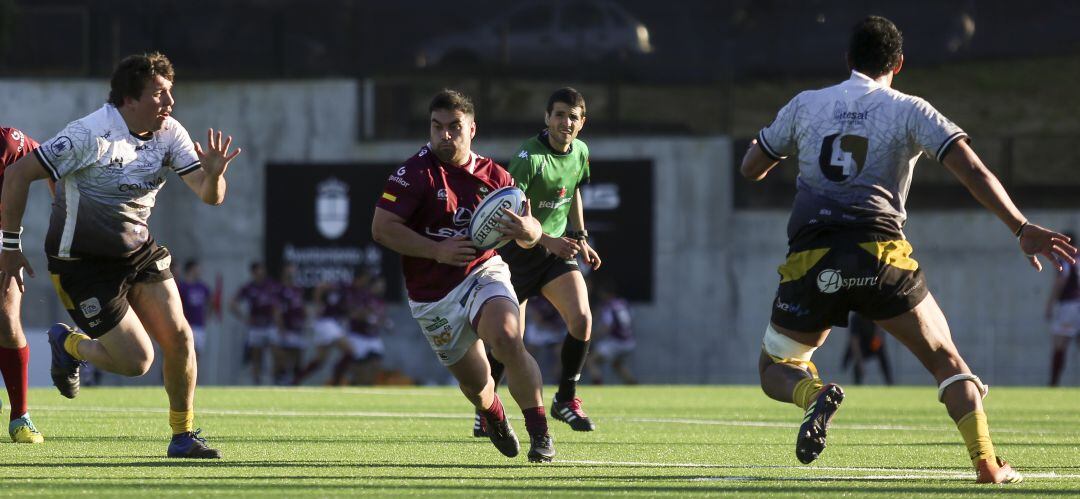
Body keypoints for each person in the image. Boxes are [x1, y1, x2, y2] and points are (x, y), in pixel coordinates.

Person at [738, 16, 1076, 483]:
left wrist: (772, 146)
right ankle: (986, 464)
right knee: (948, 363)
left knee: (775, 367)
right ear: (898, 63)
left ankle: (814, 396)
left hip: (813, 261)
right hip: (882, 259)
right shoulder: (911, 109)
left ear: (847, 58)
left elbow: (751, 167)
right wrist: (1020, 227)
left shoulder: (806, 105)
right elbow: (974, 171)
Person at [0, 52, 242, 458]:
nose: (169, 102)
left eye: (170, 92)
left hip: (138, 252)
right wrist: (10, 247)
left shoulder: (171, 133)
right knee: (137, 362)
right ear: (129, 100)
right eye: (159, 94)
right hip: (82, 263)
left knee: (180, 336)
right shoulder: (90, 134)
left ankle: (182, 436)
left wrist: (215, 175)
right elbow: (18, 173)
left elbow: (208, 196)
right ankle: (69, 345)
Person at [371, 89, 555, 462]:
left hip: (482, 272)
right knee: (475, 382)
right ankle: (493, 415)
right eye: (437, 127)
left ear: (472, 129)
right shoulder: (414, 174)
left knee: (507, 337)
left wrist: (528, 231)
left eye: (455, 127)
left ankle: (540, 435)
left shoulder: (495, 176)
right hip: (432, 295)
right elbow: (382, 228)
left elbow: (531, 230)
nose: (445, 135)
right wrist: (436, 250)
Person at [476, 87, 602, 436]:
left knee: (582, 320)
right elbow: (510, 216)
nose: (565, 122)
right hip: (518, 253)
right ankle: (487, 406)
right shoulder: (529, 158)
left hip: (555, 254)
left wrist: (580, 238)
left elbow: (574, 189)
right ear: (547, 118)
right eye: (559, 114)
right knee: (509, 341)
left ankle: (566, 398)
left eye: (572, 116)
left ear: (582, 123)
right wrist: (549, 240)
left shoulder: (580, 152)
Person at [0, 126, 44, 443]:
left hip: (3, 238)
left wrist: (65, 217)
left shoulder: (9, 141)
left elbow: (53, 161)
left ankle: (20, 417)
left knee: (6, 318)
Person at [294, 277, 353, 385]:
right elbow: (320, 287)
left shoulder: (347, 292)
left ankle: (296, 379)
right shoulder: (336, 286)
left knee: (320, 360)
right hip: (326, 323)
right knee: (349, 351)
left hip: (330, 324)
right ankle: (336, 380)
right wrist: (318, 302)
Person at [230, 262, 281, 385]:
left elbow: (276, 306)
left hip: (270, 326)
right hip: (256, 327)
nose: (261, 273)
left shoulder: (270, 285)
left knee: (278, 354)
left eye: (262, 270)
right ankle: (257, 383)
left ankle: (275, 379)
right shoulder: (249, 288)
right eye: (258, 271)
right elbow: (232, 303)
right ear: (253, 273)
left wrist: (278, 322)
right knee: (256, 357)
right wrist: (244, 317)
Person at [587, 278, 637, 386]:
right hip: (629, 341)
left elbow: (607, 327)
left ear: (605, 293)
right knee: (617, 365)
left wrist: (592, 336)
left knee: (591, 360)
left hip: (616, 342)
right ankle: (633, 385)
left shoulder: (608, 306)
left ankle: (598, 386)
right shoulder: (623, 303)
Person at [1045, 232, 1080, 386]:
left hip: (1069, 306)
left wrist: (1050, 304)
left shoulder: (1067, 258)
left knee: (1060, 344)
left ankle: (1053, 383)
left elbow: (1062, 279)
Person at [274, 264, 308, 385]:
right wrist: (281, 328)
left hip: (298, 328)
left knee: (298, 358)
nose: (292, 275)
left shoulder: (298, 289)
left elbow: (301, 306)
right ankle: (279, 381)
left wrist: (305, 319)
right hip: (287, 328)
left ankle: (295, 382)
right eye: (289, 272)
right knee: (283, 357)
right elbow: (277, 310)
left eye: (294, 273)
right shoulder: (280, 290)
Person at [176, 259, 214, 361]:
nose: (199, 271)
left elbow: (211, 301)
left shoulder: (203, 287)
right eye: (197, 268)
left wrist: (208, 315)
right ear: (191, 269)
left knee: (197, 356)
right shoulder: (182, 287)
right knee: (186, 355)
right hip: (186, 325)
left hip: (200, 326)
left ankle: (195, 377)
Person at [841, 312, 893, 385]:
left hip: (873, 344)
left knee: (883, 359)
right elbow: (855, 341)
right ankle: (857, 385)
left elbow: (879, 332)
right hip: (861, 346)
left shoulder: (874, 315)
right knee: (856, 365)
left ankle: (890, 383)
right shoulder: (855, 318)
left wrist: (877, 341)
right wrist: (860, 363)